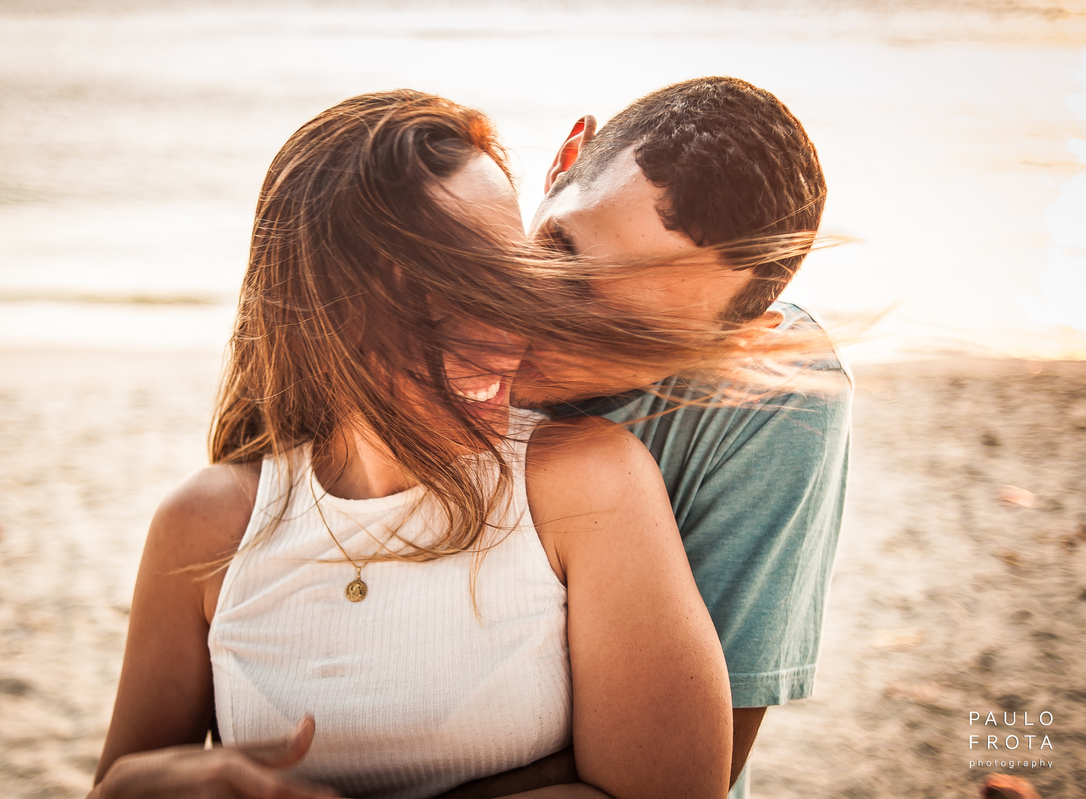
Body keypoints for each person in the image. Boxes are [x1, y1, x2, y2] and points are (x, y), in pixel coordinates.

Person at [89, 89, 756, 799]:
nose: (506, 332)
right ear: (326, 316)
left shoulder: (588, 482)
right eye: (445, 297)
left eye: (507, 279)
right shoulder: (204, 527)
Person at [455, 77, 851, 799]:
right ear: (565, 160)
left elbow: (689, 763)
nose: (554, 325)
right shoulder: (415, 280)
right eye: (563, 252)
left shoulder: (773, 399)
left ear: (735, 344)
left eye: (628, 334)